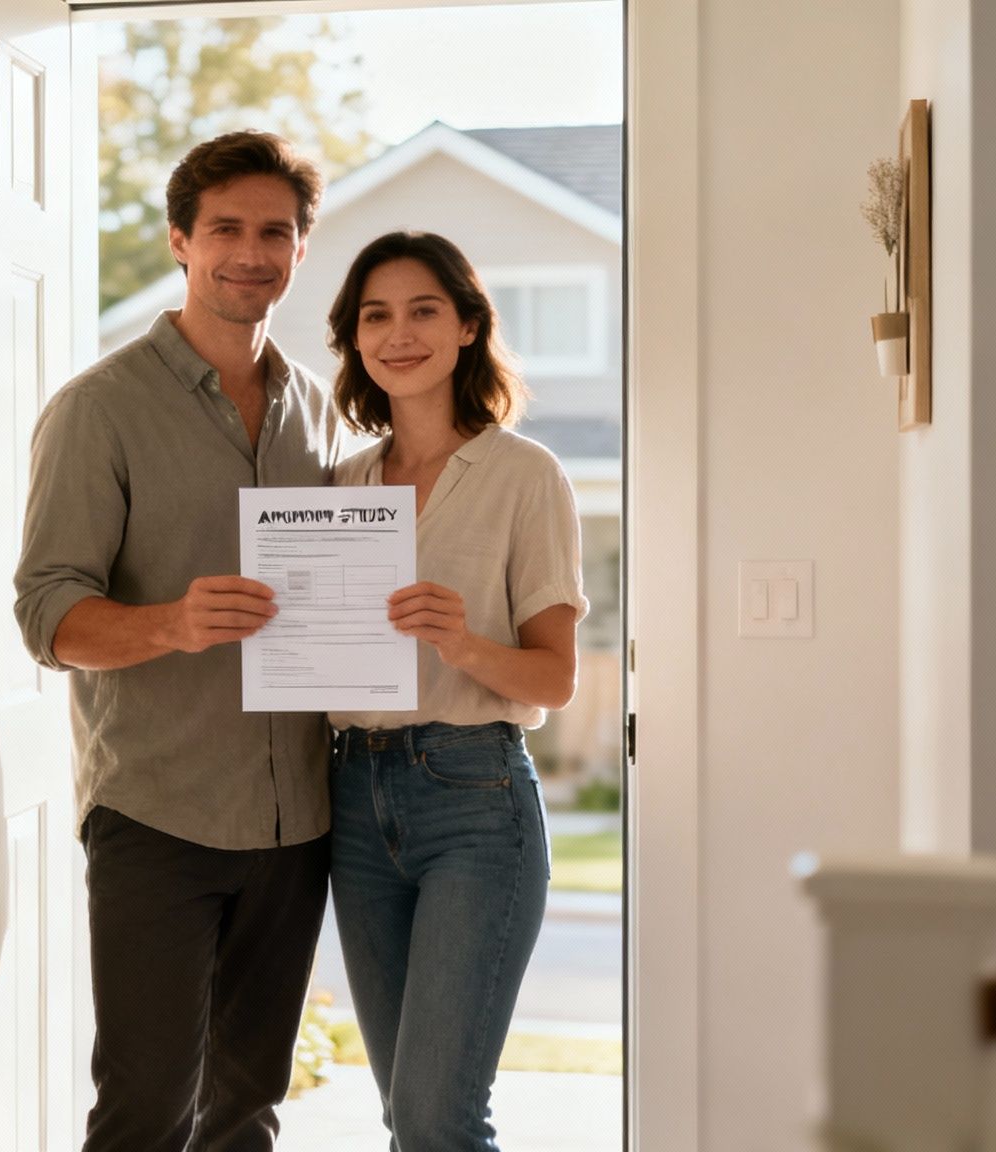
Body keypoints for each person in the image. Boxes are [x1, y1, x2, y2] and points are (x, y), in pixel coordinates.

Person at [13, 130, 346, 1151]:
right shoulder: (98, 411)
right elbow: (46, 616)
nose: (251, 252)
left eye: (275, 232)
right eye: (226, 230)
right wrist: (171, 621)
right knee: (144, 1113)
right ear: (178, 240)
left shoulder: (315, 411)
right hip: (158, 818)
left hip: (296, 825)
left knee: (246, 1115)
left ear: (300, 248)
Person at [323, 230, 587, 1151]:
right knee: (405, 1111)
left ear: (469, 326)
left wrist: (464, 643)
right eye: (376, 315)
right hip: (352, 799)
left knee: (440, 1117)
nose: (400, 334)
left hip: (475, 800)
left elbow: (554, 676)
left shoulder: (525, 475)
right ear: (355, 340)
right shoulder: (341, 486)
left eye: (424, 310)